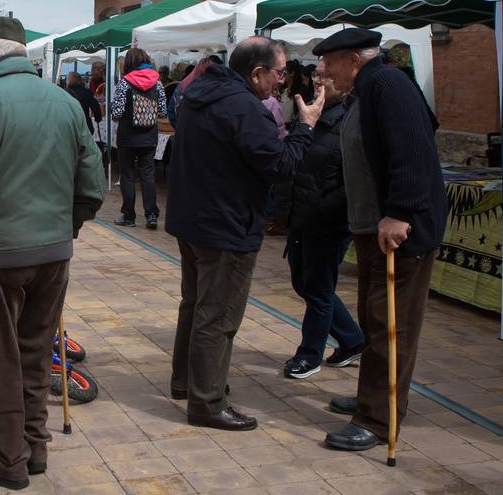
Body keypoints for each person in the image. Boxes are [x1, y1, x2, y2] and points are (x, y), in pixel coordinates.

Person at [0, 17, 106, 490]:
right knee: (33, 353)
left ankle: (8, 457)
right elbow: (93, 185)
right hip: (53, 254)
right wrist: (63, 226)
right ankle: (34, 448)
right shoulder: (66, 103)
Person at [166, 37, 324, 430]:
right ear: (256, 73)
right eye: (279, 72)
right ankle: (207, 401)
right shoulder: (243, 108)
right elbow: (280, 165)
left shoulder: (198, 96)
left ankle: (189, 382)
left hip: (194, 220)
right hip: (225, 225)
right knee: (217, 315)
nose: (283, 82)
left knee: (195, 305)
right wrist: (306, 128)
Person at [314, 28, 447, 453]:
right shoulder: (367, 90)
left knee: (392, 326)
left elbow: (412, 149)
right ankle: (374, 395)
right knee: (375, 319)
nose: (323, 70)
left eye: (330, 62)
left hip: (398, 231)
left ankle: (377, 418)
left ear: (354, 60)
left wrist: (400, 211)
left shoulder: (388, 84)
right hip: (373, 229)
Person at [274, 63, 364, 380]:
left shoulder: (352, 117)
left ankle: (309, 354)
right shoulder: (314, 114)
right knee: (304, 283)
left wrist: (325, 209)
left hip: (328, 221)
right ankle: (352, 340)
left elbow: (352, 179)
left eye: (328, 74)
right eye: (318, 75)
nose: (322, 80)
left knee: (318, 289)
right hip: (302, 216)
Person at [110, 48, 167, 230]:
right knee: (147, 175)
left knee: (127, 175)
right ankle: (151, 215)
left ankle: (129, 216)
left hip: (127, 137)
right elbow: (163, 112)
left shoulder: (124, 84)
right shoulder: (157, 83)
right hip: (149, 137)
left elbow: (117, 112)